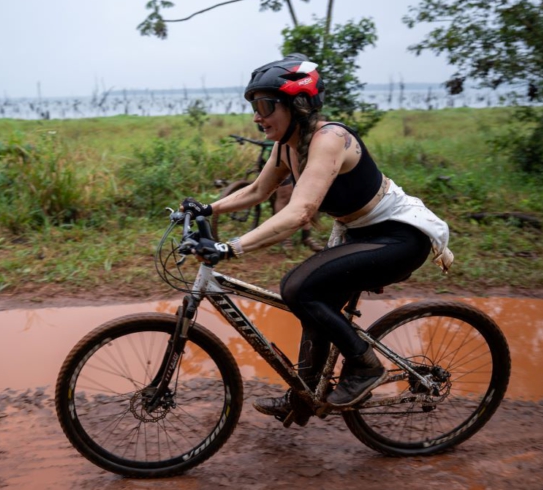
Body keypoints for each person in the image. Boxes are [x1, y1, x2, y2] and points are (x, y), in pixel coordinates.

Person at [180, 53, 453, 424]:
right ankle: (305, 398)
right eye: (254, 107)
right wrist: (207, 209)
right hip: (361, 234)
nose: (257, 116)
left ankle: (365, 368)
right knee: (314, 301)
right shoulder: (286, 146)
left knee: (298, 287)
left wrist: (231, 247)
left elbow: (300, 212)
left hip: (400, 237)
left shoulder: (330, 139)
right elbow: (258, 192)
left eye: (265, 105)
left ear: (299, 105)